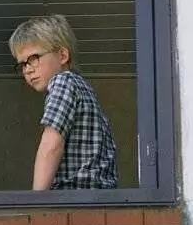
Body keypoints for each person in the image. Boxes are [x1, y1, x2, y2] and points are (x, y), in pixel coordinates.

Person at [8, 15, 118, 190]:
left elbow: (51, 146)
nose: (28, 70)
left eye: (33, 58)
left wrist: (37, 200)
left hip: (73, 196)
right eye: (22, 65)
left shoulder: (63, 82)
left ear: (62, 55)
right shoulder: (82, 88)